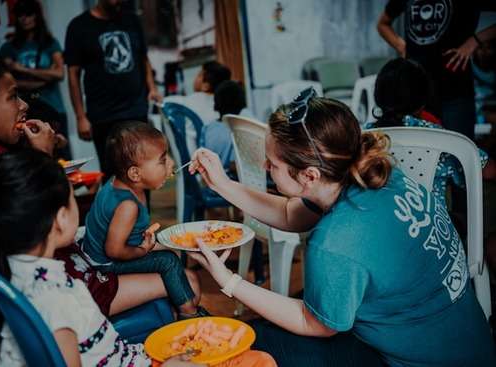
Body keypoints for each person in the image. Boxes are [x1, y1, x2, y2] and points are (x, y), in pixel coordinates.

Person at [188, 92, 496, 366]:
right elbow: (288, 212)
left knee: (254, 344)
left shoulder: (336, 241)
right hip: (469, 343)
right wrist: (223, 185)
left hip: (412, 359)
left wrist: (228, 280)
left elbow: (316, 324)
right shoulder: (375, 174)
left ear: (308, 175)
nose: (266, 168)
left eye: (272, 164)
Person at [0, 150, 275, 367]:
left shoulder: (17, 273)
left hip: (127, 356)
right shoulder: (55, 303)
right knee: (260, 361)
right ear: (61, 219)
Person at [0, 55, 196, 319]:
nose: (23, 106)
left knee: (168, 262)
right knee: (188, 281)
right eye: (12, 97)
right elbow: (50, 219)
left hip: (52, 271)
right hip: (66, 287)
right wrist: (44, 157)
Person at [364, 57, 496, 289]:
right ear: (422, 100)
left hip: (374, 243)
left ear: (378, 96)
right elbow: (488, 171)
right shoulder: (440, 137)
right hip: (434, 244)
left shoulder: (362, 137)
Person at [83, 122, 206, 319]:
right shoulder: (127, 206)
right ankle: (188, 312)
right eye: (163, 160)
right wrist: (141, 250)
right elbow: (113, 250)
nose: (171, 164)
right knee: (168, 261)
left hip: (108, 252)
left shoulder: (123, 183)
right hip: (105, 263)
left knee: (169, 252)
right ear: (135, 173)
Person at [65, 0, 161, 177]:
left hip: (136, 110)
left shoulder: (132, 20)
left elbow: (143, 58)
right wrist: (80, 116)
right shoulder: (79, 27)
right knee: (113, 174)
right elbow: (73, 74)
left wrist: (152, 87)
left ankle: (141, 206)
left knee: (142, 172)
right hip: (103, 115)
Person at [377, 0, 496, 139]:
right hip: (416, 93)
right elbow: (382, 23)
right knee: (418, 148)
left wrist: (474, 41)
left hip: (455, 88)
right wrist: (401, 47)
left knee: (458, 150)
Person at [0, 0, 70, 159]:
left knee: (62, 153)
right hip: (25, 110)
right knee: (32, 158)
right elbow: (6, 83)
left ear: (36, 16)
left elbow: (59, 74)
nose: (24, 19)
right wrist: (44, 77)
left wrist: (20, 69)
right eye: (20, 15)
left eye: (28, 14)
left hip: (53, 107)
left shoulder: (50, 43)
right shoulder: (8, 47)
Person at [166, 61, 232, 154]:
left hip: (202, 155)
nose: (195, 78)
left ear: (206, 86)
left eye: (199, 75)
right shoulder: (226, 102)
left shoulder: (191, 100)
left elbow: (168, 102)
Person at [199, 80, 246, 171]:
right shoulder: (238, 130)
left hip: (211, 179)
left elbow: (202, 157)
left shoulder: (207, 128)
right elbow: (235, 166)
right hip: (230, 181)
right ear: (241, 104)